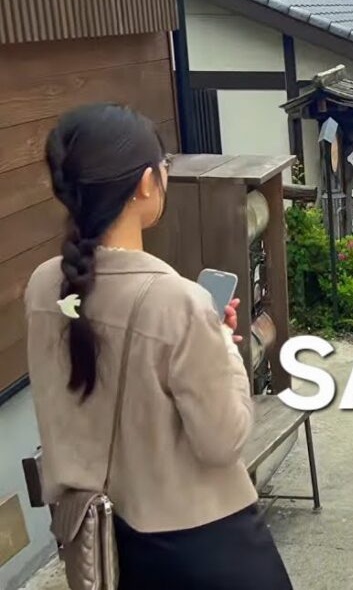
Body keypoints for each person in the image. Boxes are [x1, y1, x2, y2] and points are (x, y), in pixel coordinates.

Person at [24, 104, 292, 589]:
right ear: (146, 183)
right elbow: (223, 440)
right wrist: (226, 351)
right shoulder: (177, 302)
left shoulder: (44, 286)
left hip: (100, 543)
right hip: (197, 545)